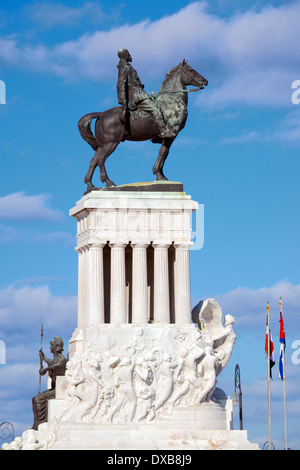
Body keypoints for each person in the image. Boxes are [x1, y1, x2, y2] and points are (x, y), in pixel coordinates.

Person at [116, 48, 173, 138]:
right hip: (136, 96)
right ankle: (163, 132)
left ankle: (156, 134)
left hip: (140, 93)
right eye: (128, 53)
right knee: (155, 109)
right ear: (125, 55)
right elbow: (120, 83)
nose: (129, 55)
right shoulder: (124, 67)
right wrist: (123, 100)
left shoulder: (128, 66)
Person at [31, 336, 68, 430]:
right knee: (35, 398)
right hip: (54, 389)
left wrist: (46, 369)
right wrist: (43, 358)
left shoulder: (62, 360)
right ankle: (38, 422)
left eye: (51, 345)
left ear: (56, 347)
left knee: (37, 399)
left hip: (57, 390)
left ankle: (39, 423)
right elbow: (51, 362)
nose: (49, 347)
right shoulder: (56, 359)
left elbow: (56, 366)